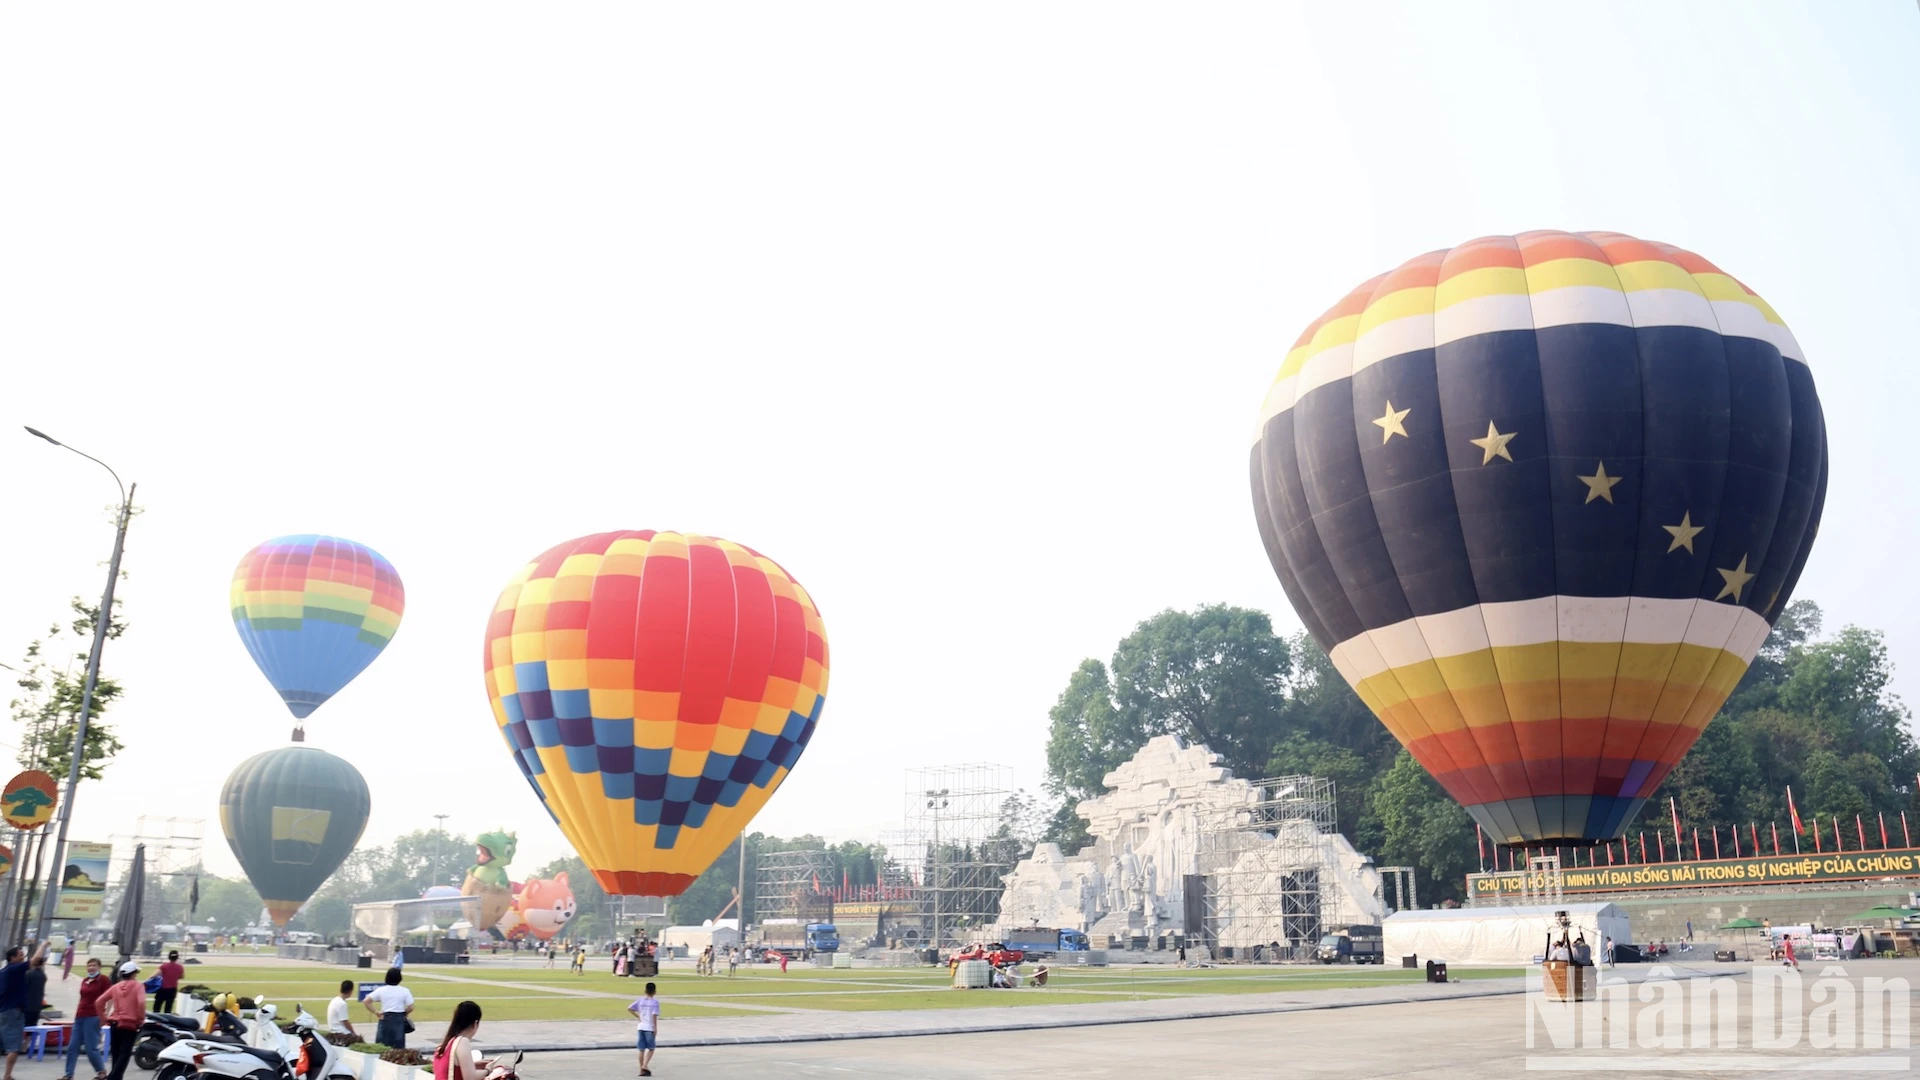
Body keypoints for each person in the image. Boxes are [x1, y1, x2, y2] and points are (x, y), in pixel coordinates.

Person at [63, 955, 110, 1080]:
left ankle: (101, 1071)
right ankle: (69, 1074)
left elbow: (110, 997)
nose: (91, 968)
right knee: (73, 1047)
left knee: (90, 1048)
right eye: (89, 965)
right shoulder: (85, 980)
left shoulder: (103, 980)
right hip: (80, 1015)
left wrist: (105, 1015)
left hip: (93, 1016)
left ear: (99, 967)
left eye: (94, 965)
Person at [99, 961, 147, 1080]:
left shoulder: (115, 987)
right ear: (134, 973)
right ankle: (113, 1077)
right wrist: (141, 1018)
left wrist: (103, 1017)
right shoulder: (138, 986)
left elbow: (99, 1002)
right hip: (130, 1023)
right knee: (125, 1053)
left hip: (115, 1022)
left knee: (116, 1053)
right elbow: (141, 1002)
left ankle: (116, 1077)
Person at [0, 943, 38, 1080]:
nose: (23, 958)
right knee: (13, 1047)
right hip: (13, 1012)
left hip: (3, 1012)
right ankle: (7, 1075)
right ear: (12, 958)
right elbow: (35, 960)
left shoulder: (3, 972)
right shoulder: (14, 969)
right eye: (21, 955)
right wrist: (44, 945)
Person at [432, 1000, 493, 1080]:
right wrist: (488, 1070)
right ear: (475, 1023)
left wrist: (473, 1065)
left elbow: (449, 1068)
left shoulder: (446, 1044)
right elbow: (470, 1077)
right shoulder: (462, 1042)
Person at [362, 967, 415, 1048]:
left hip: (385, 1017)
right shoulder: (405, 991)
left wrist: (376, 1012)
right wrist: (404, 1013)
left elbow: (366, 1001)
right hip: (399, 1019)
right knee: (398, 1047)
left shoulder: (381, 990)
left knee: (382, 1045)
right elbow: (411, 1007)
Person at [627, 981, 661, 1077]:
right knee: (651, 1048)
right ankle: (645, 1066)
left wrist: (638, 1016)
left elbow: (629, 1008)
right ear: (655, 991)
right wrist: (655, 1028)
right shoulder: (655, 1002)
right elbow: (654, 1016)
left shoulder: (641, 1000)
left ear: (645, 990)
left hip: (641, 1026)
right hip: (649, 1027)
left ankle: (641, 1069)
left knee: (641, 1049)